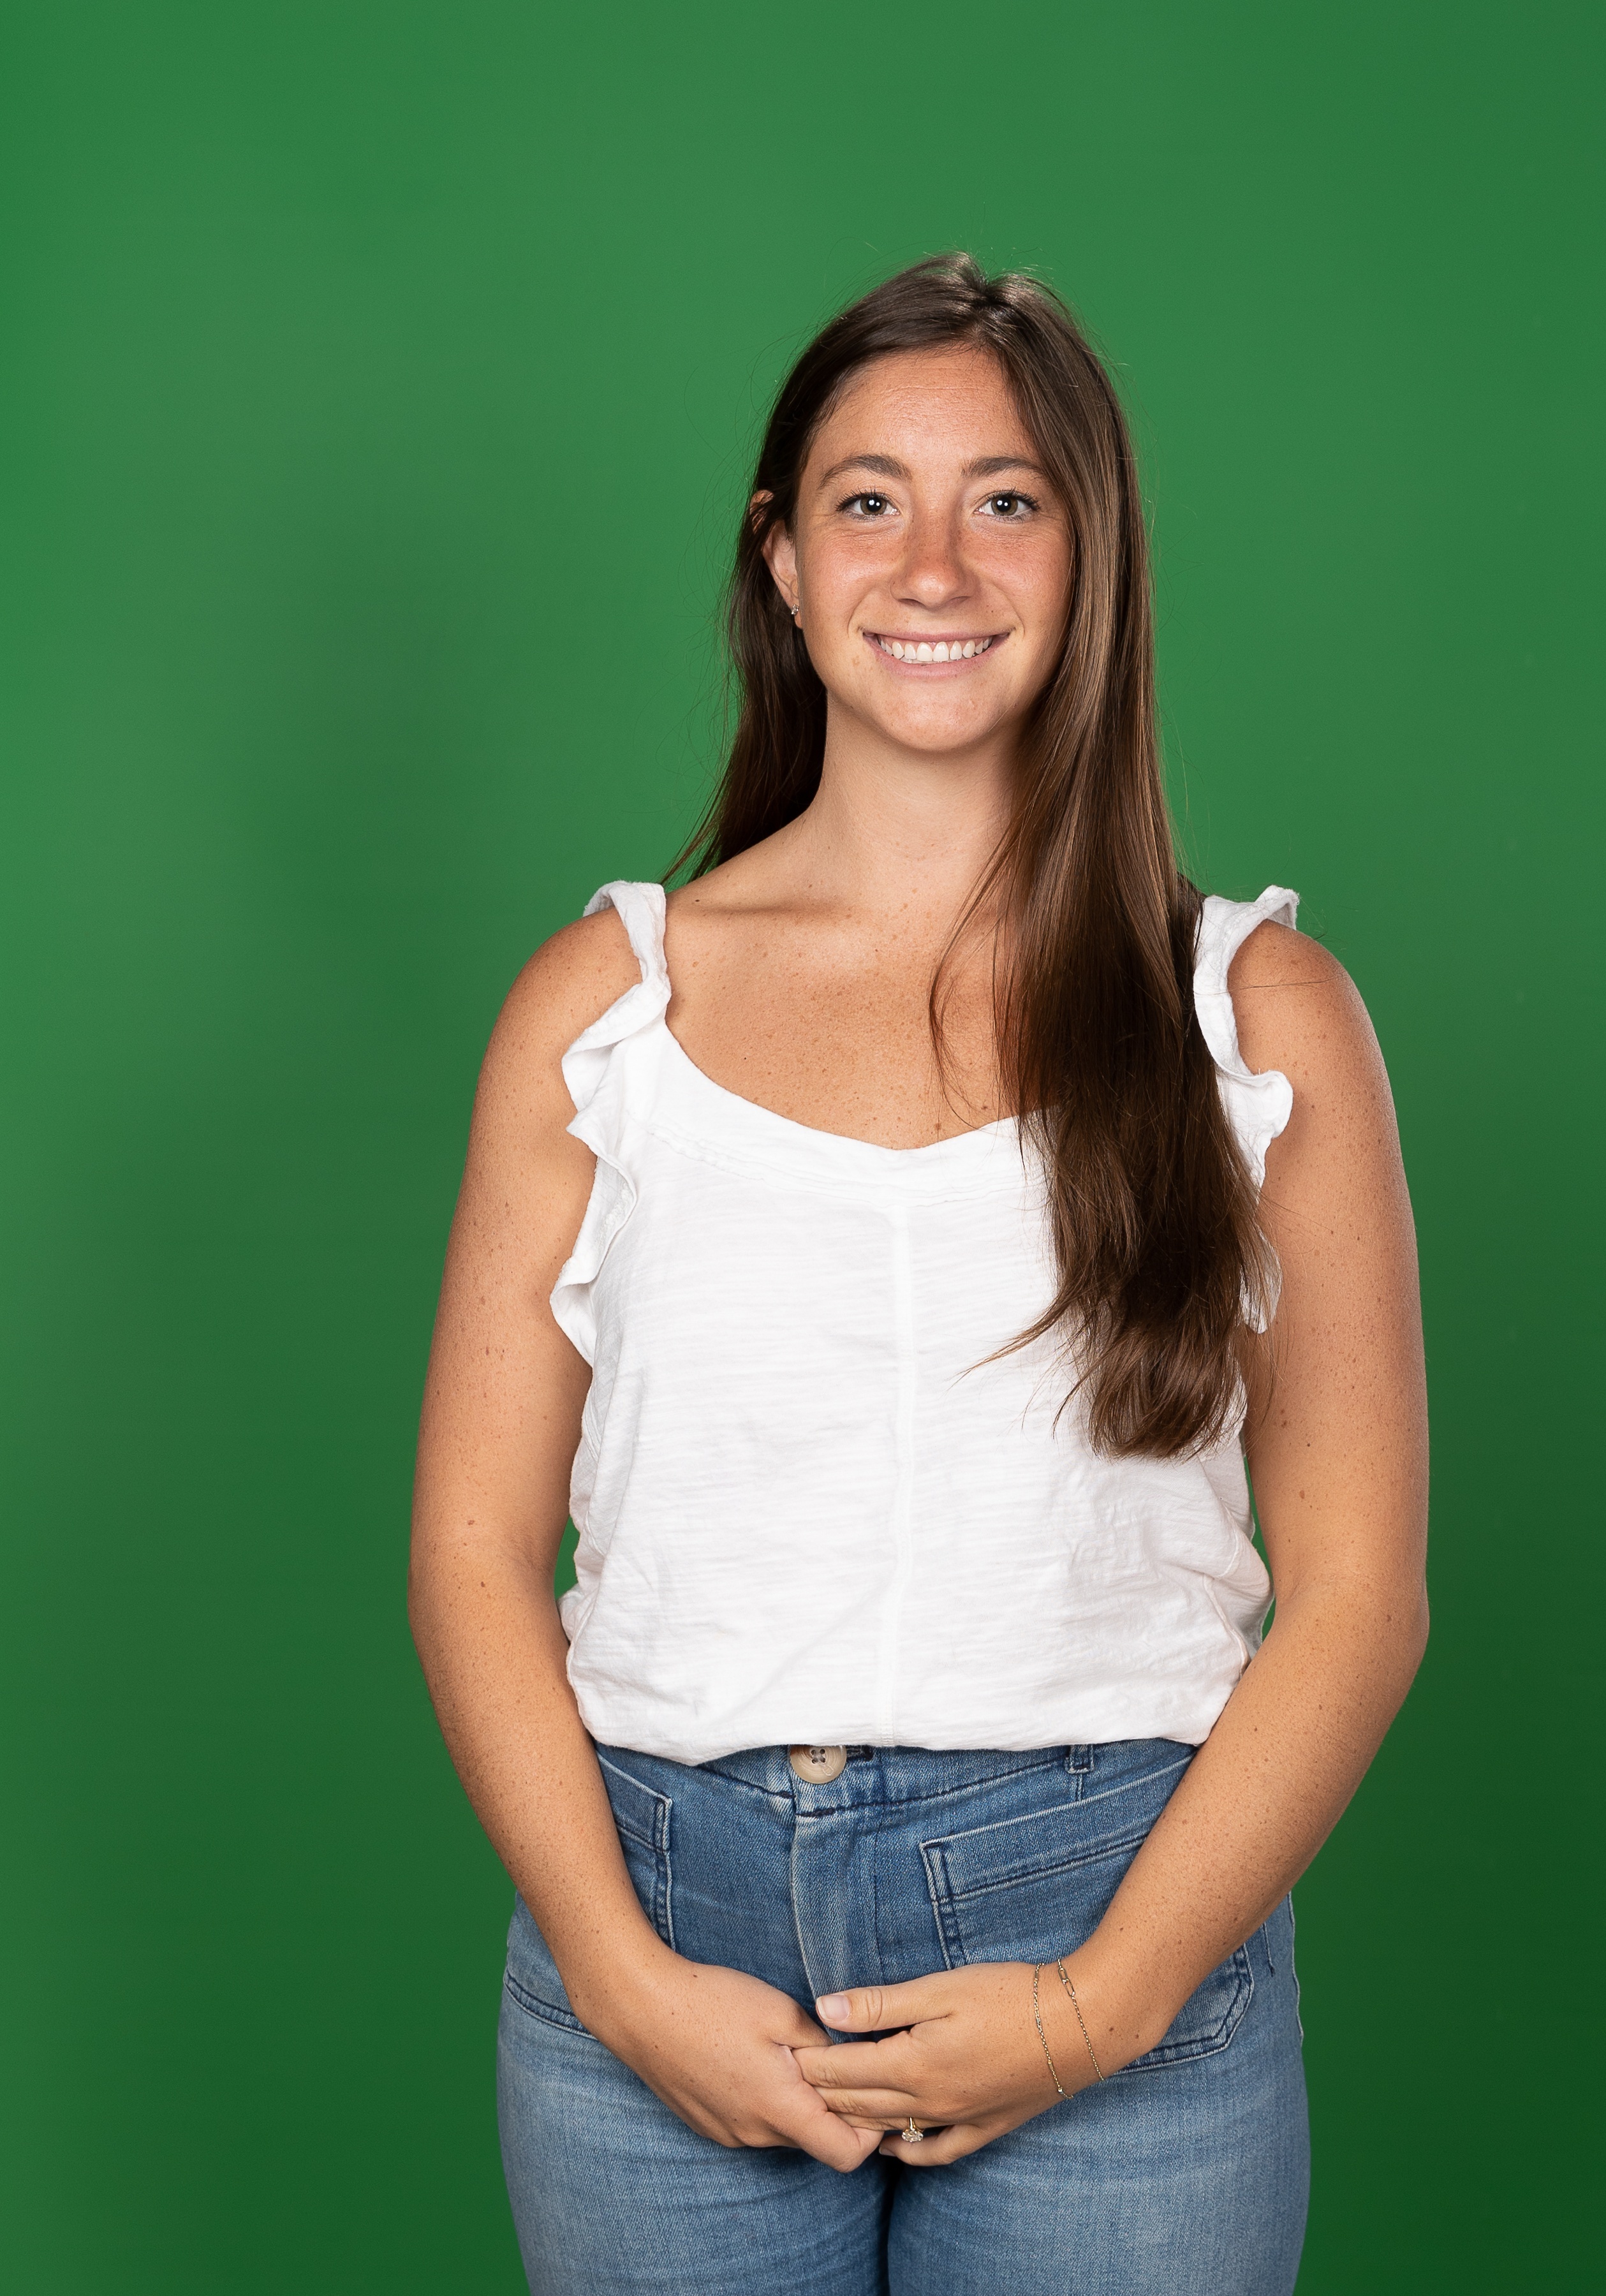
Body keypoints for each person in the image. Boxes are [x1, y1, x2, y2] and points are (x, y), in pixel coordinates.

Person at [409, 252, 1429, 2296]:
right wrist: (617, 1974)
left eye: (1008, 499)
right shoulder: (604, 1012)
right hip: (662, 1943)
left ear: (1090, 557)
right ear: (782, 564)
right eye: (868, 501)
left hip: (1119, 1931)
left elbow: (1358, 1594)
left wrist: (1103, 2001)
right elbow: (471, 1550)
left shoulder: (1253, 1015)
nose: (935, 565)